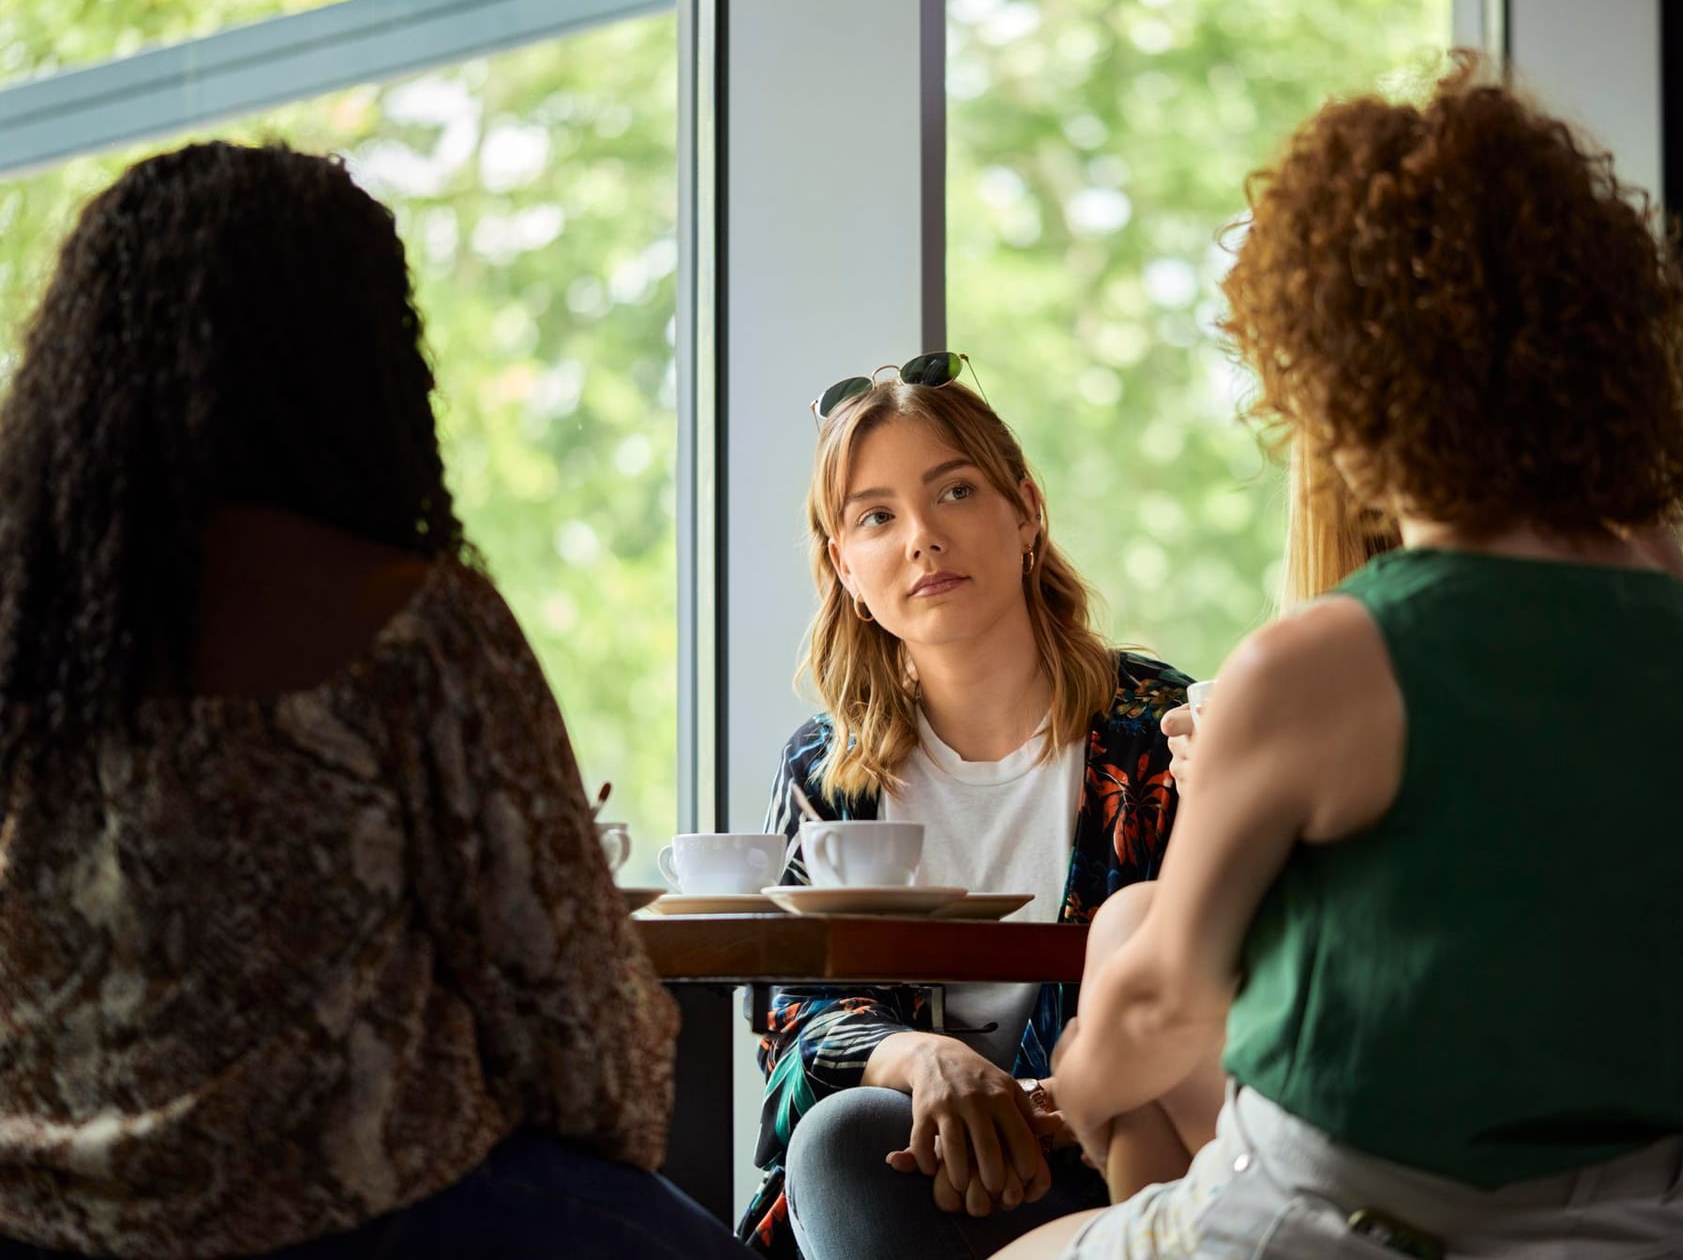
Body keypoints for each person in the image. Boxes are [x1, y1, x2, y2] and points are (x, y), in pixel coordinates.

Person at [995, 53, 1683, 1259]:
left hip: (1359, 1230)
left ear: (1332, 372)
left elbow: (1160, 1004)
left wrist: (1074, 1094)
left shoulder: (1327, 656)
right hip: (1658, 1228)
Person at [0, 142, 750, 1259]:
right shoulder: (413, 627)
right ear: (357, 358)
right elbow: (591, 1059)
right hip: (358, 1221)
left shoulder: (27, 640)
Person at [736, 363, 1191, 1259]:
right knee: (842, 1139)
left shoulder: (1157, 733)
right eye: (877, 516)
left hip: (1113, 1164)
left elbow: (1222, 990)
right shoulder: (826, 767)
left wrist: (1051, 1108)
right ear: (845, 568)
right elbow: (790, 1024)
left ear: (1025, 512)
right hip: (899, 1176)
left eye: (954, 491)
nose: (923, 538)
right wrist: (927, 1062)